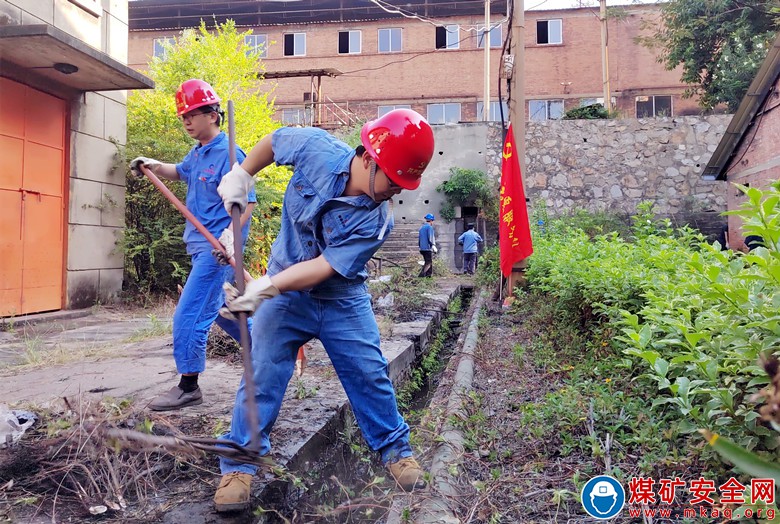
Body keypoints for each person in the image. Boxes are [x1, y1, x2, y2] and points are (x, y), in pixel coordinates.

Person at [211, 108, 435, 512]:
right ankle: (239, 465)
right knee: (260, 371)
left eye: (404, 184)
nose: (394, 191)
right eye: (392, 180)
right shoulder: (315, 148)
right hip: (284, 291)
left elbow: (324, 268)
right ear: (369, 158)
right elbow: (275, 141)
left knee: (369, 373)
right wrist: (243, 174)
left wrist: (264, 287)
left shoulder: (376, 221)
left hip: (339, 298)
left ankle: (395, 452)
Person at [129, 79, 257, 411]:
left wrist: (231, 239)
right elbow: (181, 172)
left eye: (192, 115)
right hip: (201, 246)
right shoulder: (198, 152)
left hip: (218, 249)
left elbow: (249, 202)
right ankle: (271, 347)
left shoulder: (230, 153)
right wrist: (153, 166)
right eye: (183, 116)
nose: (186, 121)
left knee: (189, 314)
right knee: (217, 310)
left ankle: (188, 386)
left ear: (213, 114)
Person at [418, 213, 437, 277]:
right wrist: (433, 245)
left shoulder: (421, 228)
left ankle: (428, 276)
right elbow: (431, 237)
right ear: (431, 221)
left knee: (428, 262)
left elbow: (420, 239)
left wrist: (420, 246)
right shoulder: (429, 227)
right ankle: (421, 276)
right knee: (428, 263)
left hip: (422, 248)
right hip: (427, 248)